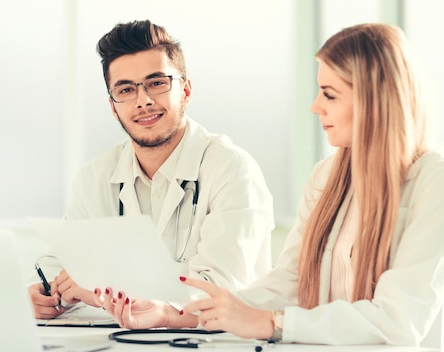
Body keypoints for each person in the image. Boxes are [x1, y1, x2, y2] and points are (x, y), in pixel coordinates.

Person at [95, 22, 444, 345]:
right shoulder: (327, 177)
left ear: (374, 100)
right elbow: (289, 282)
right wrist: (176, 315)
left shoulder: (432, 181)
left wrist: (273, 324)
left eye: (330, 94)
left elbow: (399, 320)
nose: (315, 106)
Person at [29, 19, 274, 319]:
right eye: (126, 89)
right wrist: (44, 293)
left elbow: (221, 290)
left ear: (185, 90)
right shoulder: (95, 177)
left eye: (157, 83)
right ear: (113, 106)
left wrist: (104, 287)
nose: (143, 101)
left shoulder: (233, 171)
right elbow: (60, 262)